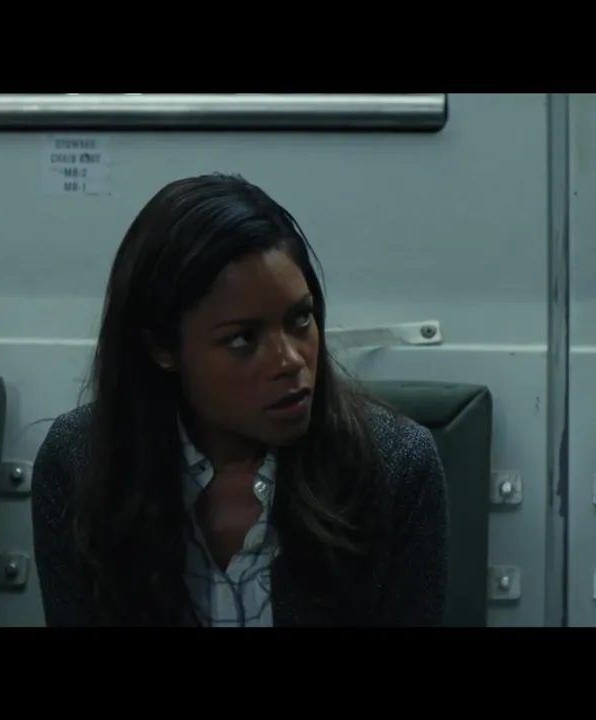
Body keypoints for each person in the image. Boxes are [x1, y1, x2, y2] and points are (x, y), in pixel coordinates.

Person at [32, 174, 449, 627]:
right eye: (243, 339)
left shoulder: (394, 467)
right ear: (162, 348)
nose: (290, 361)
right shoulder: (80, 464)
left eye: (300, 319)